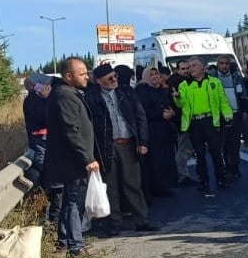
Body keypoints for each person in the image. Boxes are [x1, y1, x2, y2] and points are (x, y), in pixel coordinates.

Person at [84, 63, 156, 235]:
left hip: (129, 144)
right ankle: (115, 223)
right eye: (109, 78)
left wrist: (143, 142)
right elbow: (89, 125)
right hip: (107, 146)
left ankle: (142, 220)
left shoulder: (126, 92)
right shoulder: (92, 98)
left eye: (115, 76)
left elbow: (140, 117)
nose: (114, 80)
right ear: (100, 81)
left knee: (133, 184)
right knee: (111, 185)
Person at [43, 57, 102, 257]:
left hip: (71, 160)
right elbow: (72, 131)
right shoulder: (65, 96)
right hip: (72, 161)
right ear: (69, 76)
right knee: (74, 203)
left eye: (87, 72)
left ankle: (66, 242)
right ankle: (75, 245)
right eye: (82, 73)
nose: (87, 76)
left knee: (71, 201)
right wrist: (87, 158)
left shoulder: (67, 93)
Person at [176, 58, 234, 194]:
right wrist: (177, 97)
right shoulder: (184, 85)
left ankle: (221, 179)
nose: (191, 68)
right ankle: (203, 180)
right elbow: (181, 104)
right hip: (195, 123)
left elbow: (222, 101)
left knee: (216, 152)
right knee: (199, 154)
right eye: (189, 66)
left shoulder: (214, 82)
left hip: (210, 121)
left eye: (194, 65)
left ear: (203, 67)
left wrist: (228, 115)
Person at [22, 73, 62, 224]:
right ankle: (52, 221)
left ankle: (53, 220)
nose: (48, 87)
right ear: (34, 86)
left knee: (54, 185)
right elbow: (45, 118)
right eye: (43, 84)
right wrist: (46, 99)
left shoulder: (38, 99)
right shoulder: (32, 101)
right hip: (41, 147)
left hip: (47, 146)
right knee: (52, 185)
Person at [134, 66, 179, 198]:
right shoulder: (142, 91)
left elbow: (168, 104)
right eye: (151, 75)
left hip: (165, 130)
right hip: (152, 131)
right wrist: (160, 114)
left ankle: (166, 185)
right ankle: (157, 188)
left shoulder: (162, 90)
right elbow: (143, 112)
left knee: (166, 158)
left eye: (156, 74)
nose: (155, 77)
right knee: (155, 161)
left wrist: (170, 112)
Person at [214, 54, 246, 179]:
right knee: (223, 144)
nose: (224, 66)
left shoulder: (236, 77)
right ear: (218, 65)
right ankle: (226, 168)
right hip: (221, 116)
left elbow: (243, 94)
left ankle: (235, 168)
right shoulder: (213, 79)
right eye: (221, 63)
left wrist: (243, 110)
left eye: (226, 63)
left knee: (235, 144)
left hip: (235, 114)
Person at [167, 60, 197, 185]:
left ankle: (182, 174)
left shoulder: (185, 81)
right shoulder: (177, 83)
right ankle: (182, 175)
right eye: (183, 68)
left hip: (186, 119)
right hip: (183, 120)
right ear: (178, 70)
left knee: (186, 148)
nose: (186, 70)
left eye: (187, 68)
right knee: (184, 149)